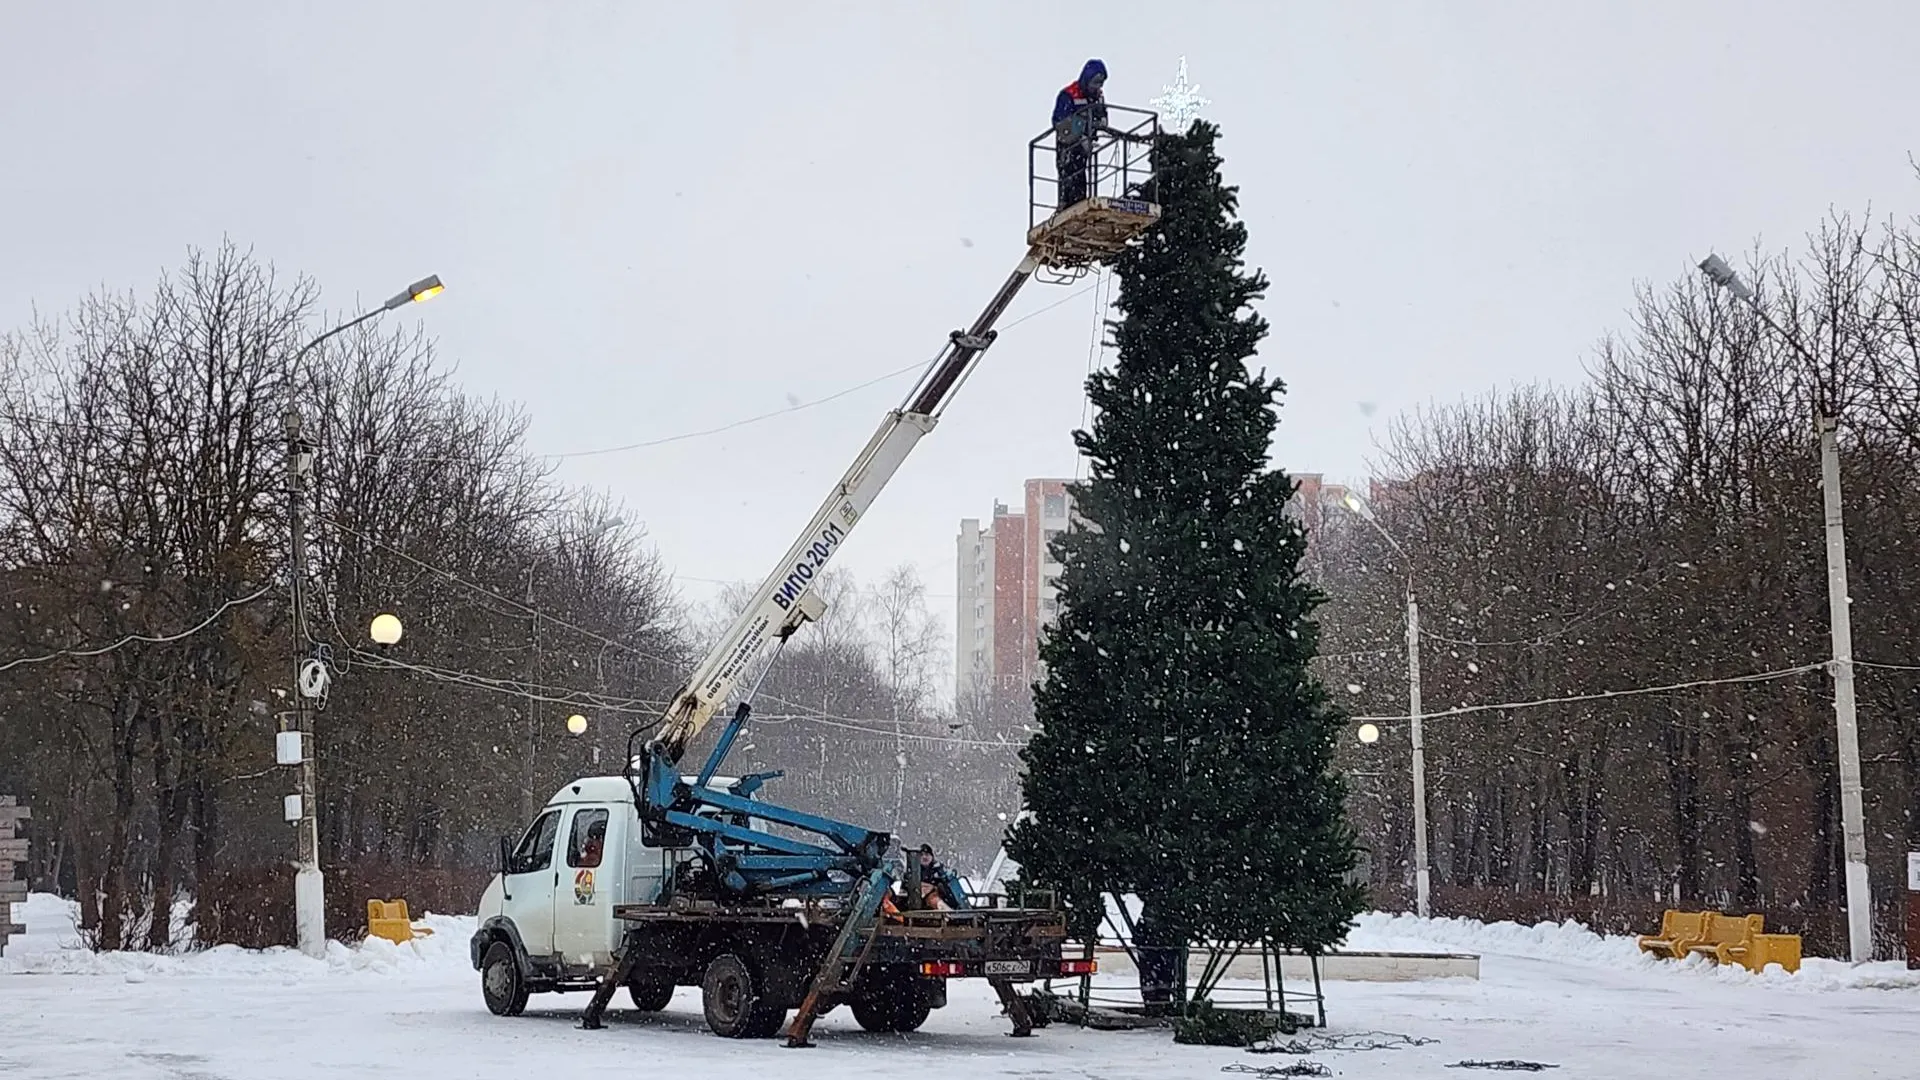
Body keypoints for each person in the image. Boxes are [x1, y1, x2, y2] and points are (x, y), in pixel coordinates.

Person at [1052, 59, 1109, 208]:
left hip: (1086, 145)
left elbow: (1102, 115)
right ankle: (1065, 204)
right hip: (1068, 145)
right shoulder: (1069, 95)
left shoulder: (1098, 97)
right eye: (1095, 82)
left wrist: (1102, 121)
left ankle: (1079, 201)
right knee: (1069, 174)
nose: (1097, 87)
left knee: (1081, 177)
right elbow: (1060, 122)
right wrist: (1079, 136)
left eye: (1100, 83)